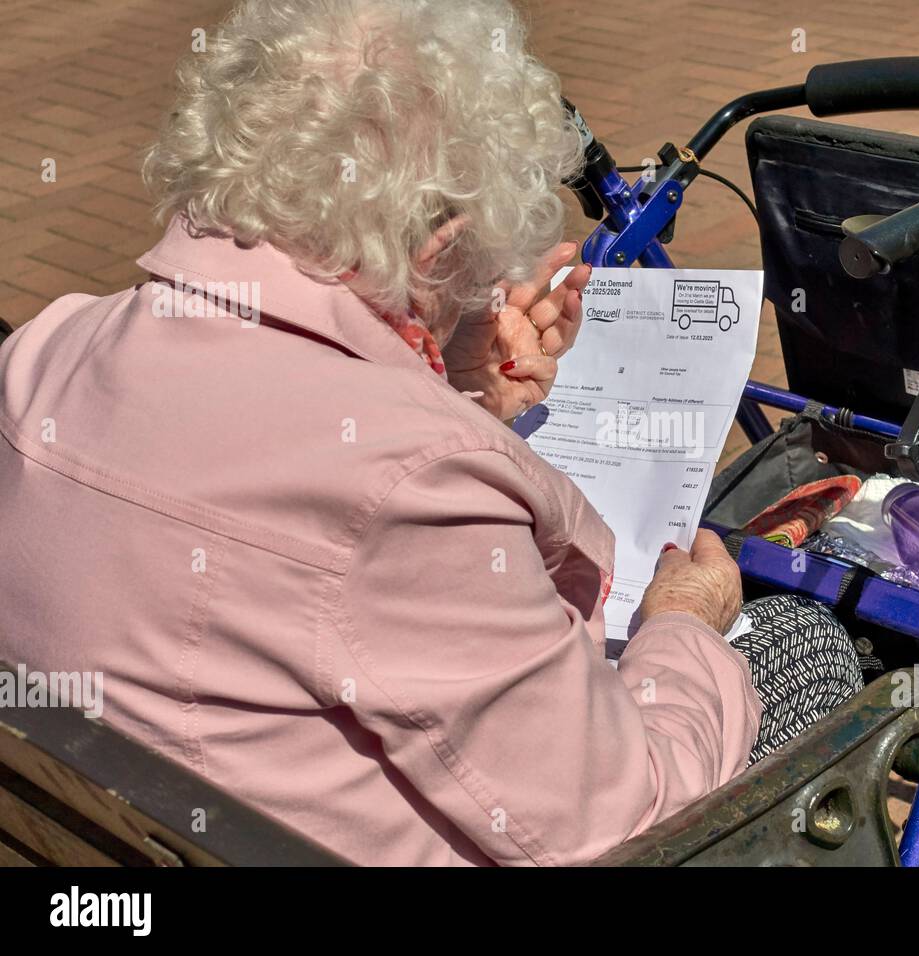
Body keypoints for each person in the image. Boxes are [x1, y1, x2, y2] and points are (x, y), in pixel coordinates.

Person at [0, 0, 861, 865]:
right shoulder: (408, 495)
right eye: (479, 264)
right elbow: (621, 822)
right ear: (439, 248)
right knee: (799, 651)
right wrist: (681, 622)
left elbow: (275, 465)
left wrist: (450, 388)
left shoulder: (47, 353)